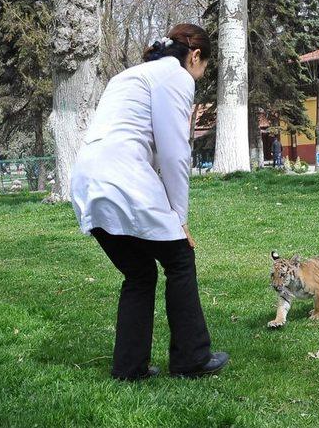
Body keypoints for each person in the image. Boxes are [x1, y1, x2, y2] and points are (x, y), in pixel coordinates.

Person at [70, 24, 228, 381]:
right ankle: (191, 359)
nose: (200, 76)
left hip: (87, 180)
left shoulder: (129, 75)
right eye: (203, 68)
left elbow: (145, 140)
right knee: (180, 259)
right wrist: (180, 218)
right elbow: (174, 154)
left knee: (139, 273)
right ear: (195, 55)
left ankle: (129, 369)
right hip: (122, 176)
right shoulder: (175, 76)